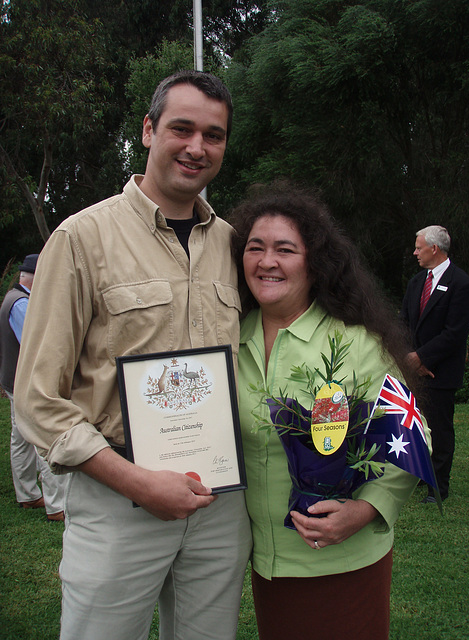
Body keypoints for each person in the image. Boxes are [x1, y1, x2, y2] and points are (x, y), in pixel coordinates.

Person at [14, 71, 251, 640]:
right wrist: (137, 483)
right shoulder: (80, 239)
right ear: (149, 130)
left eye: (213, 135)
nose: (197, 147)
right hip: (119, 502)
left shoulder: (233, 245)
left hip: (221, 507)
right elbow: (37, 399)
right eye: (182, 128)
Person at [229, 183, 425, 640]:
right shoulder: (226, 340)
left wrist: (366, 509)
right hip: (269, 566)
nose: (267, 261)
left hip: (346, 562)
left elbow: (413, 438)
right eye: (255, 248)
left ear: (314, 262)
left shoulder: (356, 344)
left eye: (285, 249)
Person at [400, 225, 469, 503]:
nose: (415, 252)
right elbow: (404, 324)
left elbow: (454, 333)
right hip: (414, 371)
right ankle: (421, 475)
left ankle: (437, 488)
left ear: (434, 249)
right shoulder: (417, 282)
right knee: (416, 426)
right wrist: (410, 359)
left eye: (419, 247)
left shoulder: (461, 284)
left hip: (440, 372)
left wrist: (421, 358)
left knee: (440, 431)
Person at [0, 254, 66, 522]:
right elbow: (37, 345)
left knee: (21, 439)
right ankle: (56, 505)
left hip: (14, 379)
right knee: (42, 439)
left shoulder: (10, 299)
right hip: (27, 381)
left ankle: (27, 494)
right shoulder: (22, 304)